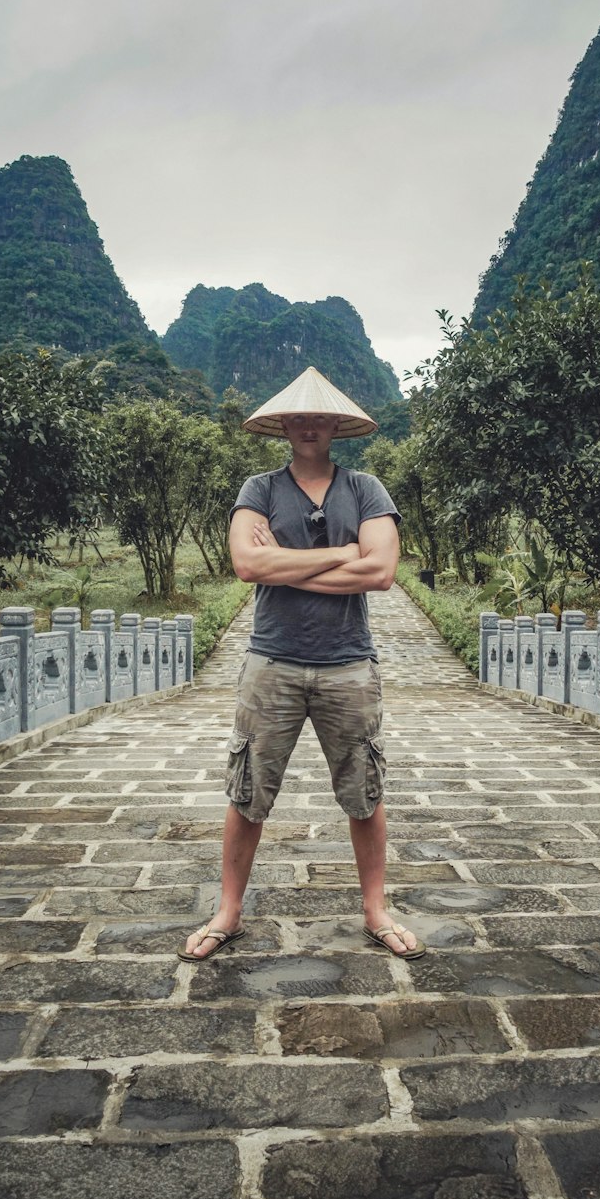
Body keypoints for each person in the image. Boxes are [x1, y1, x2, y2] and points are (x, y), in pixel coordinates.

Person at [179, 366, 424, 962]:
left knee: (364, 790)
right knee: (248, 790)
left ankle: (375, 909)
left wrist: (287, 560)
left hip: (349, 665)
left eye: (320, 417)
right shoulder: (257, 490)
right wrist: (343, 553)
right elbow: (247, 567)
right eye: (299, 417)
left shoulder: (366, 489)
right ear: (284, 425)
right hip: (273, 663)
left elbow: (382, 572)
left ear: (336, 426)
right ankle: (229, 911)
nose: (309, 425)